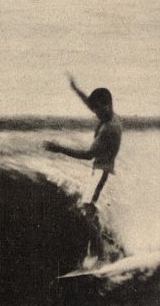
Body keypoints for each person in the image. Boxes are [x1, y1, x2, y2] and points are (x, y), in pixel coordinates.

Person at [43, 75, 122, 260]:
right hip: (100, 169)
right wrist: (76, 89)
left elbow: (87, 155)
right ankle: (104, 248)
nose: (95, 114)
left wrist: (58, 149)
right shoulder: (110, 114)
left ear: (107, 106)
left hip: (101, 171)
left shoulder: (109, 129)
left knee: (86, 213)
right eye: (94, 110)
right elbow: (90, 103)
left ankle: (102, 257)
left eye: (98, 111)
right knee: (90, 212)